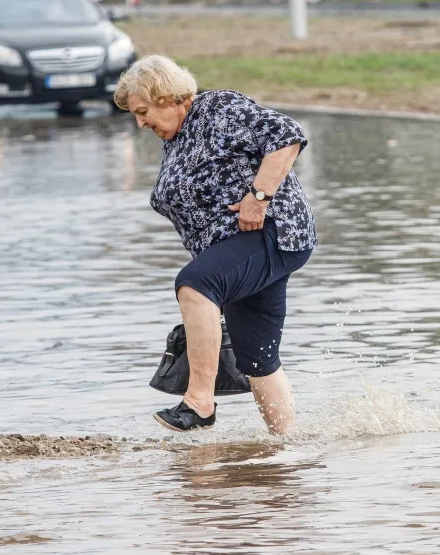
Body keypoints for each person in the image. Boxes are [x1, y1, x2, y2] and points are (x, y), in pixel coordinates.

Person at [115, 55, 316, 435]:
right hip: (238, 251)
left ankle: (199, 404)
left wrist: (260, 196)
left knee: (195, 285)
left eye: (143, 112)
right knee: (258, 359)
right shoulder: (176, 137)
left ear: (167, 96)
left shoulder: (217, 109)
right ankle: (287, 449)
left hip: (272, 233)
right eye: (135, 115)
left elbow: (287, 135)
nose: (140, 123)